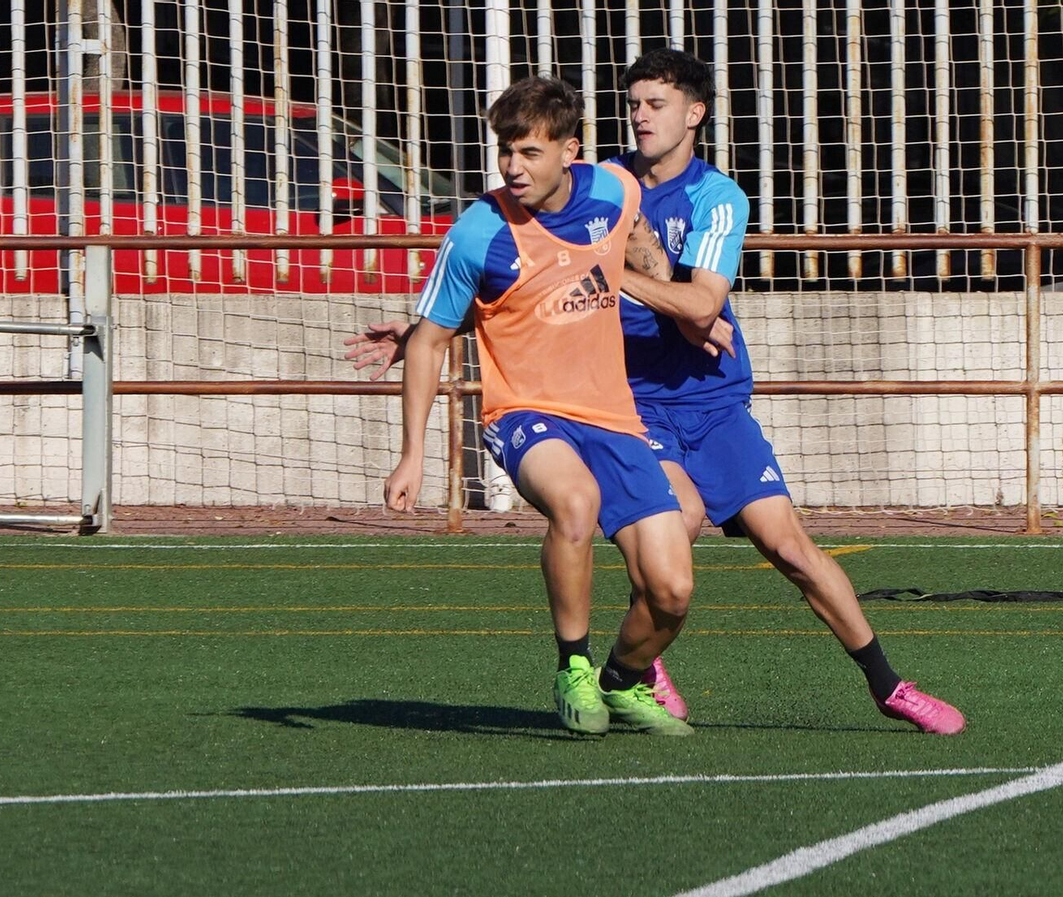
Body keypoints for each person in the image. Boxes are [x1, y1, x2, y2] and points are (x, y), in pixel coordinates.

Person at [351, 49, 965, 735]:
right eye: (634, 102)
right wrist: (419, 332)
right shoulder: (594, 183)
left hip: (709, 398)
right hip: (630, 401)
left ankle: (889, 684)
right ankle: (622, 667)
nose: (640, 115)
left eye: (656, 104)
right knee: (676, 521)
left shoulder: (705, 197)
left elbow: (695, 303)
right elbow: (527, 285)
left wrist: (629, 283)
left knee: (790, 547)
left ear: (695, 114)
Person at [384, 74, 695, 737]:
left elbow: (634, 232)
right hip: (523, 410)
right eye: (505, 150)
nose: (512, 167)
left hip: (612, 414)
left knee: (671, 591)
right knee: (576, 501)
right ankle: (573, 666)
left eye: (528, 152)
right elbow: (429, 339)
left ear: (570, 152)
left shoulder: (613, 188)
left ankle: (620, 680)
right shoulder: (477, 232)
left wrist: (658, 274)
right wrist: (412, 454)